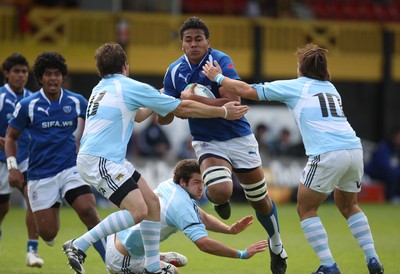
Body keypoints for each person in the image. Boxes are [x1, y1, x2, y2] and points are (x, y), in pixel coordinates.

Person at [61, 42, 248, 274]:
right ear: (125, 66)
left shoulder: (101, 87)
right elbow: (181, 108)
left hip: (108, 159)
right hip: (101, 159)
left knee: (152, 203)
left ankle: (152, 266)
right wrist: (222, 111)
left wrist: (157, 97)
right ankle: (79, 245)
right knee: (138, 211)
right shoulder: (128, 85)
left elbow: (138, 116)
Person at [202, 43, 384, 274]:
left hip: (327, 153)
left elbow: (248, 91)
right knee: (349, 205)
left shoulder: (296, 86)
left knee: (305, 208)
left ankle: (328, 266)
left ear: (301, 67)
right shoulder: (330, 88)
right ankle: (373, 258)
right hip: (354, 150)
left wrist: (218, 78)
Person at [159, 16, 288, 274]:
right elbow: (165, 117)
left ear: (208, 41)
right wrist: (174, 106)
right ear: (182, 44)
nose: (194, 44)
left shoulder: (220, 61)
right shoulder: (174, 71)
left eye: (199, 39)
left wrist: (191, 101)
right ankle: (221, 201)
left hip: (239, 138)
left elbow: (235, 101)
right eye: (188, 40)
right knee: (219, 192)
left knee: (259, 200)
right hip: (207, 141)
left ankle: (277, 245)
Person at [4, 51, 106, 264]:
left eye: (57, 74)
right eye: (48, 74)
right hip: (41, 175)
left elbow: (95, 125)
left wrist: (92, 149)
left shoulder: (77, 101)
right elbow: (11, 137)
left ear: (63, 77)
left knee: (88, 210)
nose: (53, 78)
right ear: (40, 77)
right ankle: (55, 203)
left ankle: (112, 264)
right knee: (48, 233)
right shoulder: (27, 105)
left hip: (71, 168)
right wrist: (13, 167)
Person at [106, 159, 268, 274]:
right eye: (197, 182)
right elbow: (204, 244)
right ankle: (156, 257)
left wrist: (229, 230)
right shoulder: (181, 206)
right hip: (125, 259)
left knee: (175, 269)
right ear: (183, 181)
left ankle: (157, 256)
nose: (201, 188)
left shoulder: (171, 185)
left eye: (202, 182)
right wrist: (242, 254)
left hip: (116, 239)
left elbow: (202, 217)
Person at [0, 53, 44, 267]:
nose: (21, 75)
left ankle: (31, 251)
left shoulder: (31, 99)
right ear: (7, 74)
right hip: (1, 163)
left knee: (33, 199)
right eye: (16, 71)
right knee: (3, 208)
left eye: (24, 71)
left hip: (25, 160)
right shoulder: (1, 98)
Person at [365, 127, 400, 203]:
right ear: (395, 136)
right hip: (375, 173)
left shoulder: (397, 149)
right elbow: (384, 166)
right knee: (392, 174)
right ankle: (391, 197)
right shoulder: (384, 147)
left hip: (391, 173)